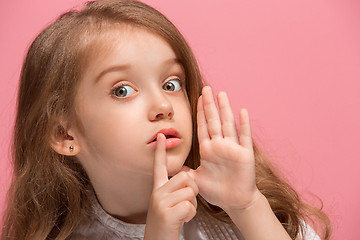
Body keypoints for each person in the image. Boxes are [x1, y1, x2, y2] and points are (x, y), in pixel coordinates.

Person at [1, 0, 331, 239]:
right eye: (122, 91)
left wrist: (247, 206)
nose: (163, 104)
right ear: (64, 133)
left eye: (171, 84)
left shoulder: (234, 207)